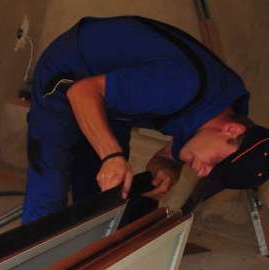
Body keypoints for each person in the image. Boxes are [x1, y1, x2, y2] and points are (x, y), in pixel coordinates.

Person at [23, 15, 269, 222]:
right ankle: (33, 262)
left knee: (105, 195)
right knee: (49, 189)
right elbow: (82, 93)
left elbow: (186, 136)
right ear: (232, 130)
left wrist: (167, 162)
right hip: (70, 74)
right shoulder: (179, 85)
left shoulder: (225, 108)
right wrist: (111, 155)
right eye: (214, 162)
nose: (203, 172)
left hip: (113, 96)